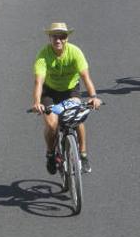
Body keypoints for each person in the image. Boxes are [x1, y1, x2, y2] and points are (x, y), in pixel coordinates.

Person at [31, 23, 101, 175]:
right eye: (54, 36)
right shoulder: (43, 55)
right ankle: (50, 154)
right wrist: (37, 102)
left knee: (78, 119)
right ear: (50, 38)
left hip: (70, 91)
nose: (58, 40)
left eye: (62, 36)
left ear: (66, 38)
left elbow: (85, 77)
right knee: (51, 124)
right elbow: (39, 82)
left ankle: (83, 155)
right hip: (49, 92)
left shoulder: (75, 52)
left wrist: (93, 97)